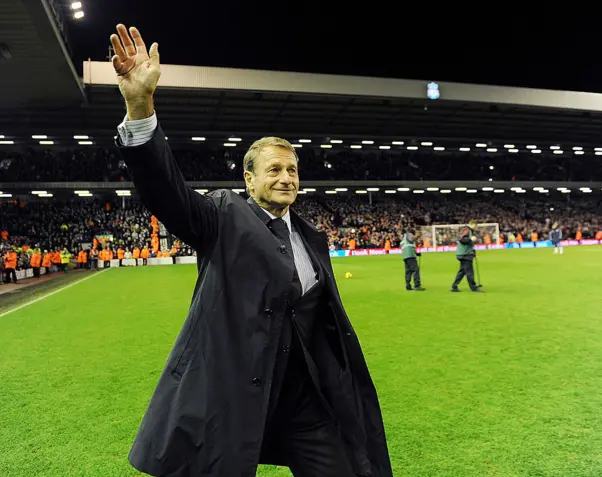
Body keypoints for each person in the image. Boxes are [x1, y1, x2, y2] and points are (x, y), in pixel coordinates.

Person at [109, 24, 392, 477]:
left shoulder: (311, 237)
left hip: (305, 399)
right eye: (274, 169)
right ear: (249, 179)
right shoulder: (223, 216)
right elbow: (168, 195)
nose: (286, 177)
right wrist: (140, 107)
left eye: (293, 169)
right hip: (235, 393)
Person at [451, 226, 482, 292]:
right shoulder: (463, 238)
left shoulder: (464, 237)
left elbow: (470, 244)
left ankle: (454, 286)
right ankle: (473, 287)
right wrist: (471, 239)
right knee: (470, 273)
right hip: (465, 256)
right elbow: (464, 241)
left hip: (463, 256)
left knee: (462, 272)